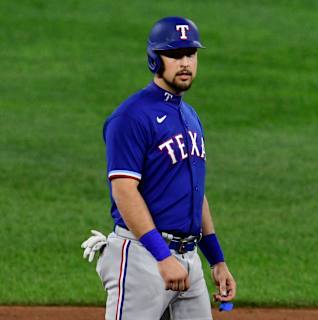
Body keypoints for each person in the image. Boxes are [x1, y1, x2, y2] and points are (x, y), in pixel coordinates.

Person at [82, 16, 236, 320]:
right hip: (143, 257)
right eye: (175, 55)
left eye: (191, 54)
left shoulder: (189, 115)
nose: (185, 63)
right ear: (155, 60)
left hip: (189, 259)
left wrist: (216, 260)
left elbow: (193, 193)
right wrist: (162, 256)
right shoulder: (130, 117)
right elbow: (124, 192)